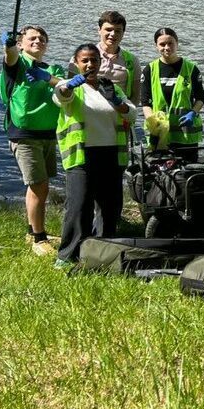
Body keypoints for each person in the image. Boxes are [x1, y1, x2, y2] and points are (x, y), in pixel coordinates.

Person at [53, 44, 136, 266]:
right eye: (85, 60)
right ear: (76, 63)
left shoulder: (111, 87)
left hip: (111, 154)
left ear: (100, 62)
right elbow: (61, 96)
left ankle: (103, 251)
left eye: (94, 60)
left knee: (110, 207)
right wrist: (69, 85)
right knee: (79, 205)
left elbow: (133, 114)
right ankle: (68, 254)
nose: (90, 65)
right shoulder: (69, 85)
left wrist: (117, 102)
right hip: (82, 155)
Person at [0, 26, 66, 256]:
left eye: (42, 38)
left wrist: (48, 78)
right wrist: (8, 46)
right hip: (25, 136)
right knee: (39, 186)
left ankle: (33, 232)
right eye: (32, 38)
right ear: (21, 43)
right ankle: (39, 239)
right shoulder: (19, 64)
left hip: (48, 135)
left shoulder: (52, 68)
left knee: (39, 186)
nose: (38, 41)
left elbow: (64, 85)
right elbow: (10, 58)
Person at [140, 27, 204, 162]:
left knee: (186, 176)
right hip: (160, 134)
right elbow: (145, 102)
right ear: (156, 46)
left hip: (185, 135)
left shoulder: (190, 68)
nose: (167, 47)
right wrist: (152, 121)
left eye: (170, 43)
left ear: (177, 43)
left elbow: (200, 98)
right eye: (162, 44)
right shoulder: (149, 70)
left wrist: (193, 113)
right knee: (159, 175)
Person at [94, 10, 140, 103]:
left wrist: (128, 113)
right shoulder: (84, 57)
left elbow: (136, 96)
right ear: (99, 30)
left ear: (123, 33)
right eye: (108, 29)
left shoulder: (132, 60)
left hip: (120, 113)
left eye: (118, 31)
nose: (113, 34)